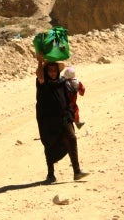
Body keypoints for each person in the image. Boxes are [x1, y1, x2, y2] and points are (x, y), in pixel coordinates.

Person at [35, 53, 89, 183]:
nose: (53, 73)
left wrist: (70, 114)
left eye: (55, 70)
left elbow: (67, 99)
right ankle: (50, 174)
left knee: (71, 138)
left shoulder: (62, 82)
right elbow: (39, 75)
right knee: (49, 144)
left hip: (64, 117)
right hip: (48, 120)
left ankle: (77, 171)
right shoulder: (43, 83)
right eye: (50, 70)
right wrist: (40, 62)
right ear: (47, 72)